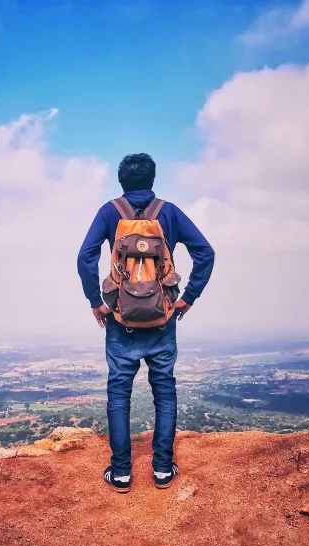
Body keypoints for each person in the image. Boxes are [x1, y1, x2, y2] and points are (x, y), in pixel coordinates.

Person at [77, 153, 215, 492]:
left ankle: (121, 472)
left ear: (121, 181)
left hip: (121, 320)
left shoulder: (110, 212)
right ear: (152, 179)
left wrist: (96, 302)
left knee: (119, 392)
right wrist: (188, 298)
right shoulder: (168, 212)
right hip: (163, 318)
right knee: (164, 390)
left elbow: (85, 257)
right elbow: (206, 253)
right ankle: (163, 470)